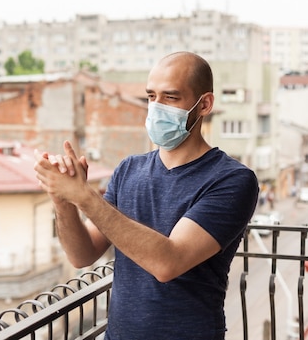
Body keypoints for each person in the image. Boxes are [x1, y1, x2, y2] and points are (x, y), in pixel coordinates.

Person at [34, 51, 259, 340]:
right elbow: (82, 254)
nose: (156, 107)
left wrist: (85, 196)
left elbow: (168, 263)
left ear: (204, 104)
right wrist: (62, 199)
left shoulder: (233, 180)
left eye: (171, 97)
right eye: (151, 96)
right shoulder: (129, 169)